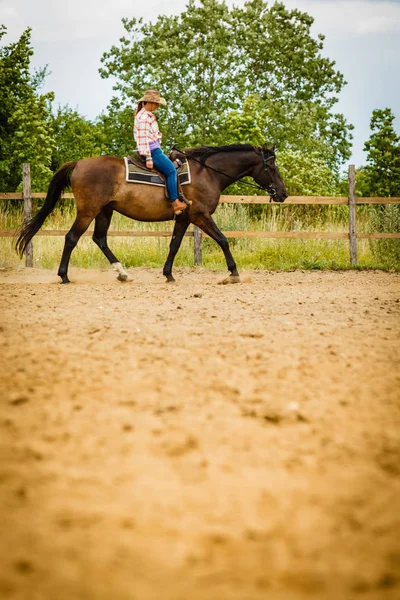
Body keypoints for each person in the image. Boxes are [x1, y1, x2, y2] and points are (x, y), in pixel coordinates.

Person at [134, 90, 188, 215]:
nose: (157, 106)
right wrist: (148, 157)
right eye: (155, 103)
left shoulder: (148, 115)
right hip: (152, 151)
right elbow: (143, 139)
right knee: (171, 171)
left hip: (155, 148)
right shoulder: (143, 118)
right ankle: (175, 202)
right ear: (148, 102)